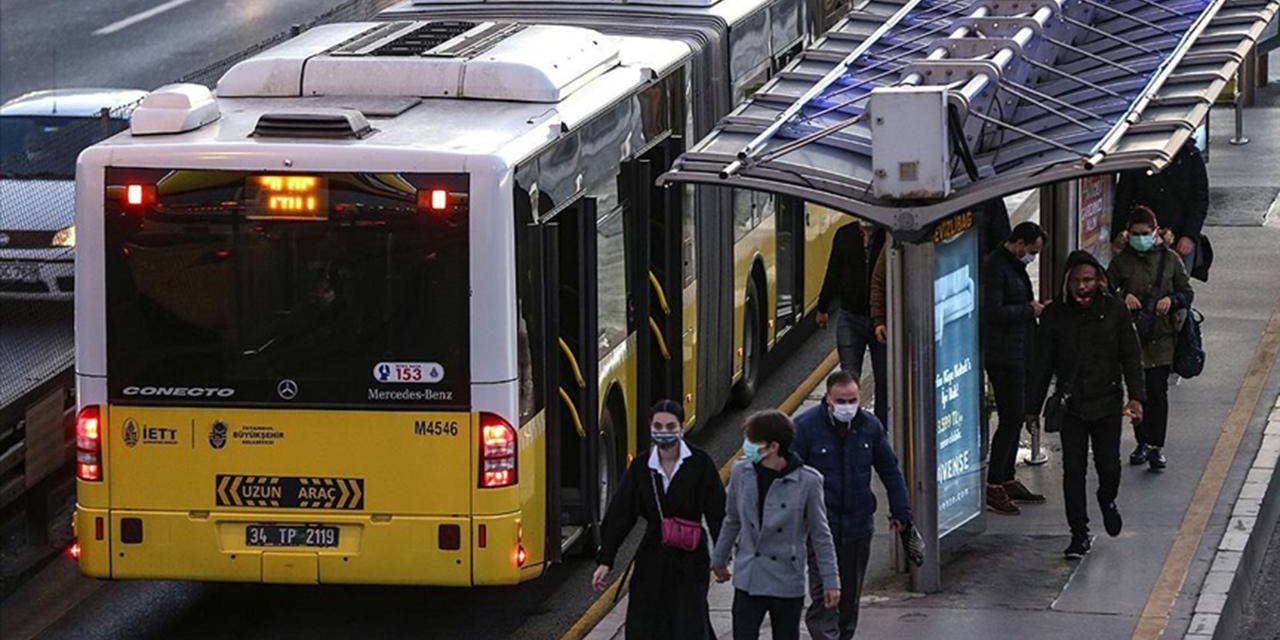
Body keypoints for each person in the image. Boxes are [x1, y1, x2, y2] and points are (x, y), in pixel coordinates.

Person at [1027, 251, 1146, 559]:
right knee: (1073, 470)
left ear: (1099, 281)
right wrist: (1032, 409)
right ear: (1067, 282)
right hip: (1072, 406)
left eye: (1088, 280)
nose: (1082, 286)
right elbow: (1042, 365)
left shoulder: (1115, 311)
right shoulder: (1055, 316)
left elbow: (1131, 356)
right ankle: (1078, 533)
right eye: (1077, 281)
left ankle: (1107, 499)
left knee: (1109, 467)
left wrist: (1136, 397)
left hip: (1107, 402)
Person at [792, 371, 912, 640]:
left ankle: (843, 634)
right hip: (821, 528)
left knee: (849, 596)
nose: (847, 407)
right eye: (841, 401)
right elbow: (789, 476)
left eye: (852, 400)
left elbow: (889, 469)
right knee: (825, 593)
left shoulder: (869, 426)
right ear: (827, 399)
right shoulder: (806, 428)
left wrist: (900, 510)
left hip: (858, 526)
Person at [593, 400, 727, 639]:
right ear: (650, 427)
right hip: (653, 555)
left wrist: (721, 557)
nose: (664, 432)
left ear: (681, 427)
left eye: (670, 426)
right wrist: (606, 559)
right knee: (646, 620)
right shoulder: (642, 466)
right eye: (658, 426)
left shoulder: (700, 463)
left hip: (691, 557)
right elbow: (621, 513)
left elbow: (717, 513)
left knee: (689, 621)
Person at [711, 410, 841, 640]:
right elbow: (732, 519)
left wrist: (831, 582)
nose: (747, 446)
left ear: (773, 446)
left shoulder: (808, 481)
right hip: (749, 577)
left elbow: (821, 535)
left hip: (786, 580)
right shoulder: (741, 472)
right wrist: (719, 559)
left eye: (753, 441)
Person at [1107, 206, 1194, 471]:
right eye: (1135, 234)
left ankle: (1156, 445)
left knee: (1158, 392)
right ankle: (1142, 441)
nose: (1140, 238)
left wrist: (1172, 300)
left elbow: (1186, 293)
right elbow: (1106, 292)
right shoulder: (1121, 262)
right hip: (1132, 337)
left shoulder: (1170, 259)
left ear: (1156, 232)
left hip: (1162, 336)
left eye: (1145, 233)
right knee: (1138, 392)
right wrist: (1123, 297)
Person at [980, 222, 1049, 515]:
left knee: (1015, 416)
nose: (1032, 256)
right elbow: (993, 311)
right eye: (1032, 250)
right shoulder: (996, 267)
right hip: (1003, 355)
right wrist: (1029, 310)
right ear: (1019, 243)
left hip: (1017, 351)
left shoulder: (1012, 266)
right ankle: (994, 483)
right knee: (1010, 418)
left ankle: (1006, 478)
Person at [816, 221, 888, 424]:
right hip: (850, 317)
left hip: (881, 322)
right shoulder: (844, 235)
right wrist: (823, 307)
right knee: (848, 377)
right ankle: (848, 426)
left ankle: (880, 428)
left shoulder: (888, 236)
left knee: (884, 379)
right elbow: (833, 271)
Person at [1111, 140, 1209, 272]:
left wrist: (1189, 235)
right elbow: (1123, 199)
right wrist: (1118, 236)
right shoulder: (1138, 157)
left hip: (1178, 236)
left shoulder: (1190, 156)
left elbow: (1199, 200)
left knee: (1177, 277)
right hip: (1142, 235)